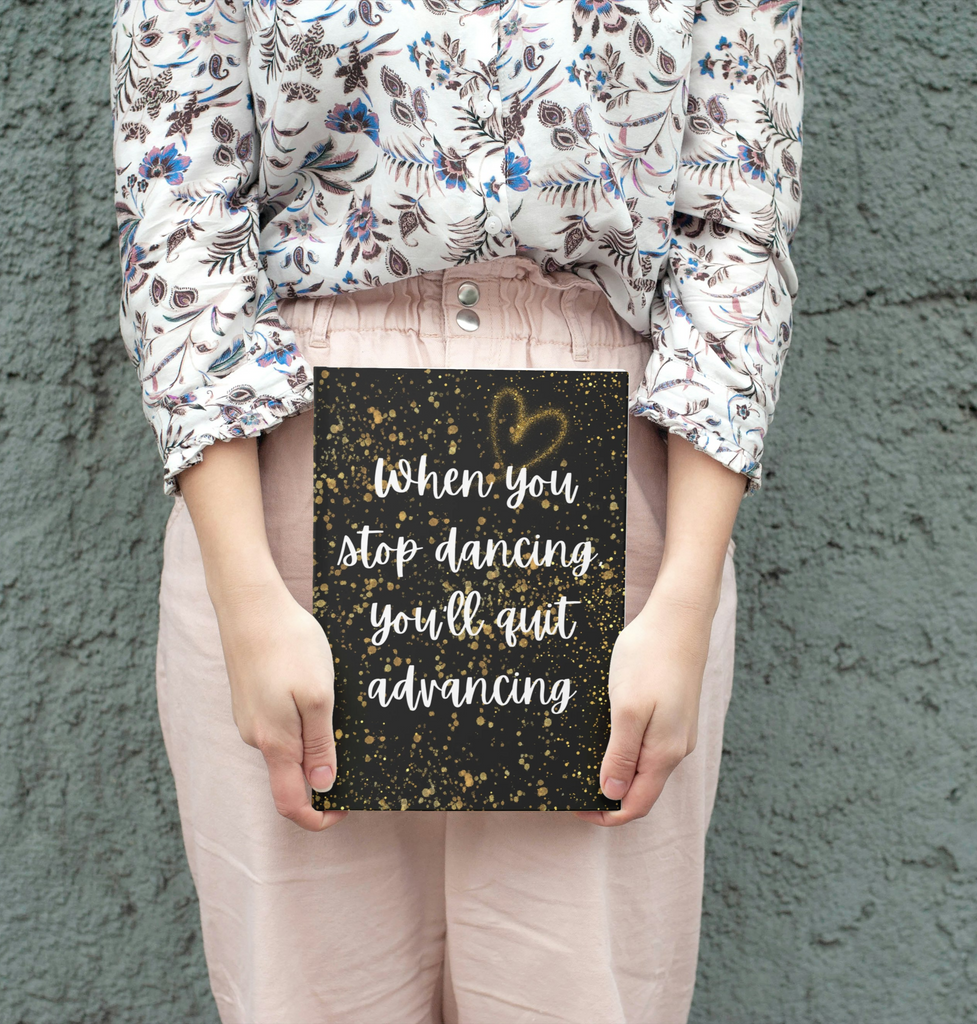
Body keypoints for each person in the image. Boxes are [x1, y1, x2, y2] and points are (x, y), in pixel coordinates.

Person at [109, 1, 803, 1021]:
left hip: (606, 489)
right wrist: (245, 591)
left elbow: (736, 223)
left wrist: (684, 596)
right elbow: (176, 204)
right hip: (279, 471)